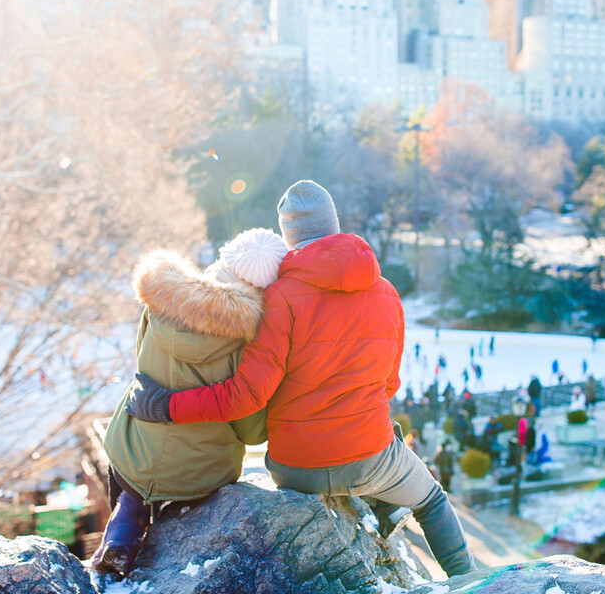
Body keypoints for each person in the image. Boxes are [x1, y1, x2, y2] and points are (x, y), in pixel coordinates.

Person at [125, 180, 475, 577]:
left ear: (289, 236)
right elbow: (389, 385)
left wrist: (166, 405)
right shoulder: (387, 293)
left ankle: (382, 503)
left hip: (296, 468)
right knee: (430, 499)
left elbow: (246, 397)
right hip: (370, 457)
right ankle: (470, 579)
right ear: (335, 225)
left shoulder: (280, 297)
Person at [94, 229, 286, 576]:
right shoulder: (250, 342)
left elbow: (142, 363)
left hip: (135, 454)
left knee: (131, 462)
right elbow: (250, 430)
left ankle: (125, 519)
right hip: (202, 475)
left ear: (223, 260)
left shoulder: (161, 301)